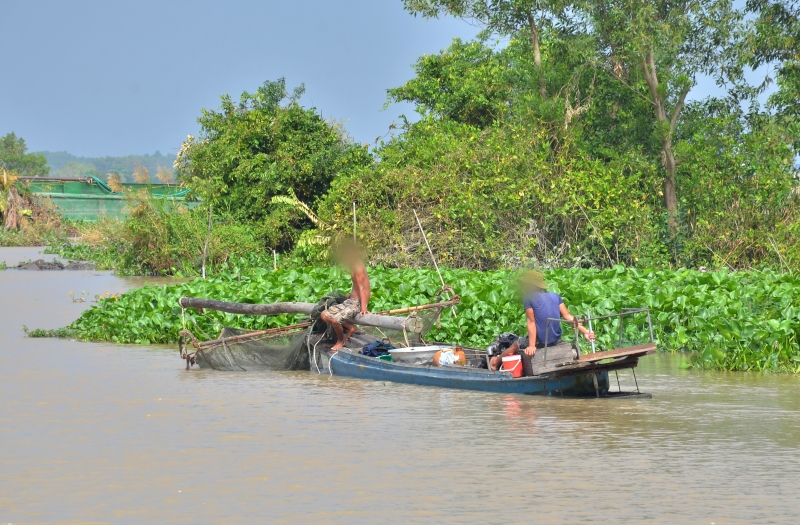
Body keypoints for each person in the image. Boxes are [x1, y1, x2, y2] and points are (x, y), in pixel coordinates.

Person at [489, 270, 594, 371]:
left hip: (540, 341)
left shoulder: (528, 297)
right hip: (556, 340)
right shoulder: (555, 296)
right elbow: (568, 317)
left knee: (515, 345)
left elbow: (531, 322)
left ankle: (495, 362)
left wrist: (532, 345)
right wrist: (585, 331)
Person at [320, 240, 371, 351]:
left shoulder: (357, 266)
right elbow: (357, 286)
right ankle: (350, 327)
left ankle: (341, 341)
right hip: (351, 300)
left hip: (356, 303)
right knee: (324, 315)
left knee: (335, 321)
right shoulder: (353, 265)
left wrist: (363, 308)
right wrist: (350, 294)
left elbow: (363, 287)